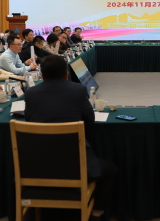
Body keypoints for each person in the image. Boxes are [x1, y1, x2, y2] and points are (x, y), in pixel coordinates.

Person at [24, 55, 117, 220]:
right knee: (110, 170)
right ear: (66, 74)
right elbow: (89, 119)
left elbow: (29, 120)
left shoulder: (31, 93)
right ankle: (96, 213)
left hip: (38, 167)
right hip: (75, 167)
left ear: (42, 76)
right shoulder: (79, 90)